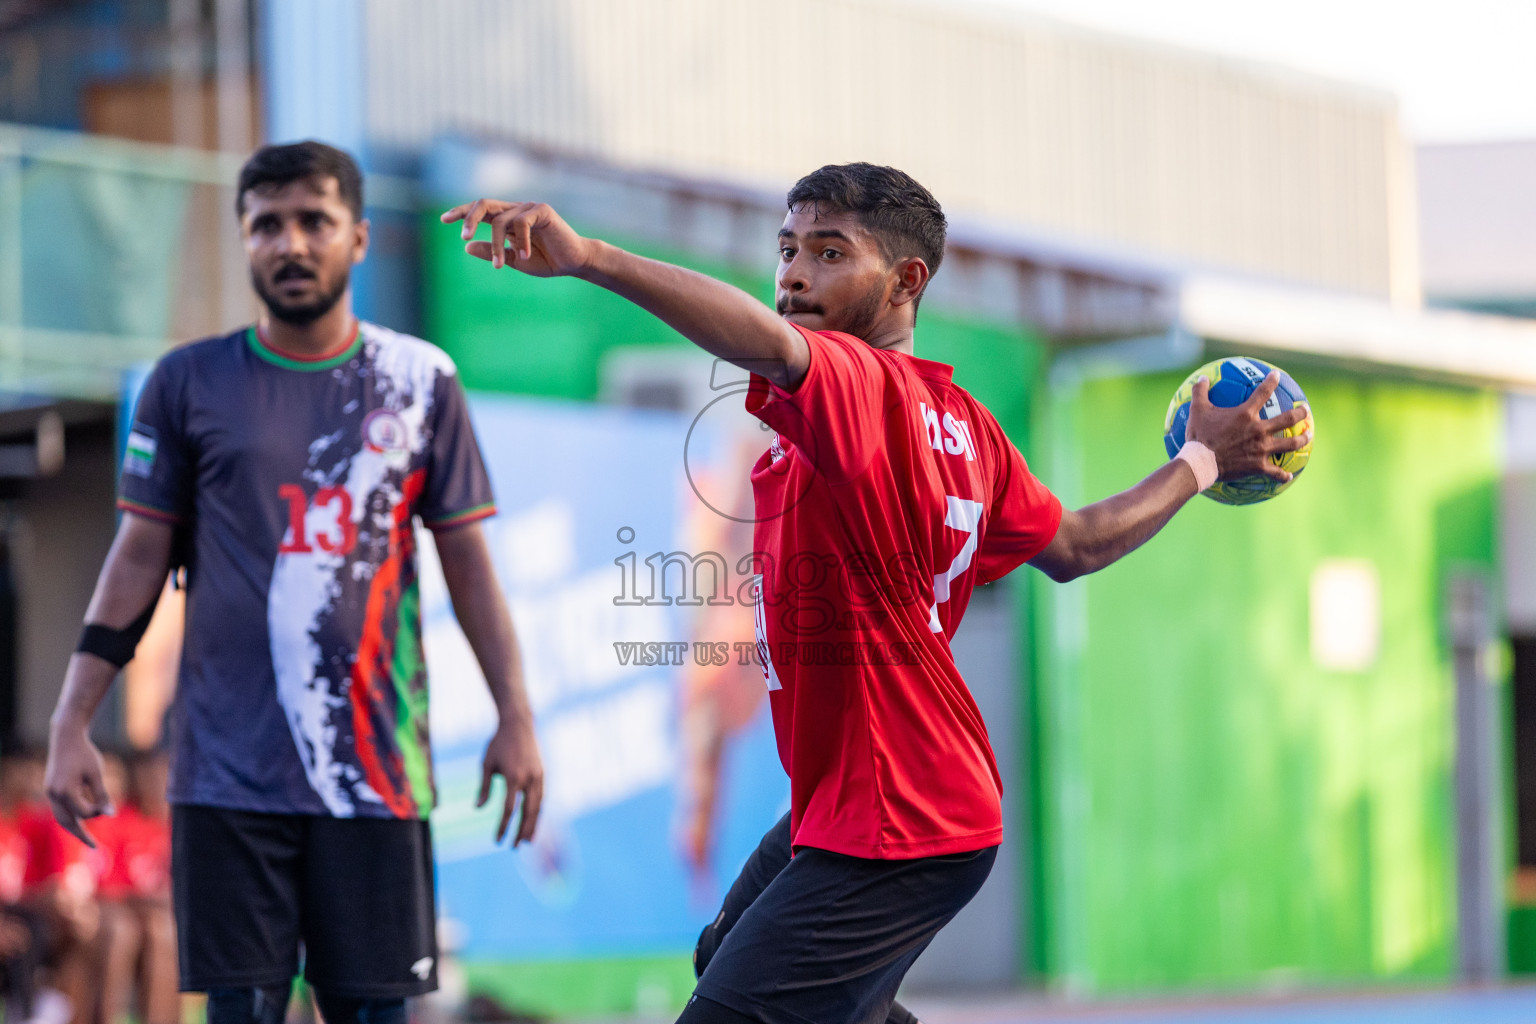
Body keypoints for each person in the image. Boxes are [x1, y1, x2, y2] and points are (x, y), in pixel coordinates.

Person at [442, 162, 1310, 1024]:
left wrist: (591, 256)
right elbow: (1077, 545)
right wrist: (1195, 465)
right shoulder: (967, 424)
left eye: (828, 252)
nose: (792, 274)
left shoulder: (860, 385)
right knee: (731, 959)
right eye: (786, 249)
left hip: (900, 818)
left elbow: (767, 343)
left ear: (906, 281)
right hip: (871, 802)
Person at [45, 141, 545, 1024]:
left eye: (314, 220)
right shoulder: (186, 381)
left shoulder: (420, 380)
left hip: (375, 773)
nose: (290, 243)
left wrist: (517, 716)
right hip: (225, 777)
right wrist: (71, 717)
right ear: (245, 241)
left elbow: (468, 567)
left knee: (373, 1013)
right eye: (266, 224)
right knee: (240, 1011)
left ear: (357, 239)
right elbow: (135, 557)